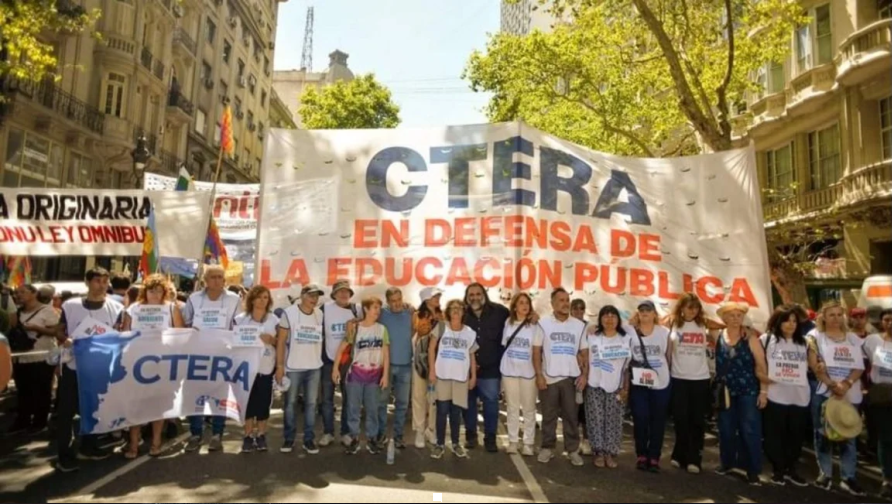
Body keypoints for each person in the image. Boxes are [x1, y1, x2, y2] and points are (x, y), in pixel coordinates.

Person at [54, 267, 124, 472]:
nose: (102, 285)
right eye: (97, 281)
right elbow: (59, 330)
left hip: (99, 368)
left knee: (94, 409)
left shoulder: (116, 308)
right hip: (73, 367)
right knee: (66, 412)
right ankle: (64, 455)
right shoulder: (71, 305)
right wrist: (65, 340)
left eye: (105, 281)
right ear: (87, 282)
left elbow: (119, 335)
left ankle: (89, 446)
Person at [120, 274, 185, 458]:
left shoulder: (171, 308)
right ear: (145, 292)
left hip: (162, 362)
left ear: (164, 292)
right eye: (151, 290)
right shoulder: (134, 309)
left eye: (159, 291)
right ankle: (133, 444)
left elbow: (180, 334)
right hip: (137, 363)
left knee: (158, 403)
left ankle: (156, 443)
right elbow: (125, 334)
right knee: (136, 405)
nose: (155, 294)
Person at [181, 265, 242, 453]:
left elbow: (239, 325)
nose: (217, 280)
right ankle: (195, 434)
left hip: (223, 355)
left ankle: (217, 435)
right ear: (205, 280)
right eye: (213, 277)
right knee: (195, 395)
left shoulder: (234, 299)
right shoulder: (194, 298)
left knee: (220, 396)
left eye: (220, 277)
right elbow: (185, 322)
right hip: (197, 354)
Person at [808, 300, 865, 496]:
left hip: (850, 393)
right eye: (831, 315)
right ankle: (825, 473)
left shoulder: (853, 338)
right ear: (823, 317)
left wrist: (846, 384)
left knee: (848, 436)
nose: (836, 318)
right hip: (825, 392)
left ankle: (849, 477)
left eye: (839, 314)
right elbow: (814, 365)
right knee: (822, 434)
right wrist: (832, 385)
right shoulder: (815, 336)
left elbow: (859, 366)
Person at [714, 302, 768, 486]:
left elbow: (761, 365)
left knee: (750, 430)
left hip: (748, 390)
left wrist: (763, 391)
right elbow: (702, 320)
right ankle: (727, 463)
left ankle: (753, 470)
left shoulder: (751, 338)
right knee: (726, 429)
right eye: (731, 315)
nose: (735, 319)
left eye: (739, 315)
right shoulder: (718, 335)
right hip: (725, 391)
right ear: (724, 318)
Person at [533, 287, 587, 466]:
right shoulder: (543, 324)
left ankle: (572, 450)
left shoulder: (579, 326)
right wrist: (539, 375)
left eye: (567, 300)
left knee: (571, 417)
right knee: (549, 416)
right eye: (561, 300)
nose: (565, 304)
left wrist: (585, 375)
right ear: (553, 303)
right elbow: (536, 351)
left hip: (572, 379)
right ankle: (547, 448)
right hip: (549, 378)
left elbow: (585, 352)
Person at [760, 305, 812, 487]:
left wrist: (820, 367)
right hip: (775, 396)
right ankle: (778, 470)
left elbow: (813, 365)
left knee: (796, 436)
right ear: (777, 322)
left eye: (794, 321)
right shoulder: (766, 340)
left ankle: (791, 469)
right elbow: (760, 366)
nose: (791, 324)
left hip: (800, 396)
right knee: (774, 435)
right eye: (786, 320)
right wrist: (763, 389)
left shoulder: (805, 342)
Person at [333, 296, 390, 454]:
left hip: (374, 376)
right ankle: (354, 438)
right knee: (353, 409)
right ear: (366, 309)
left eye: (379, 308)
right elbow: (341, 348)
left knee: (372, 409)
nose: (378, 311)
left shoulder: (382, 329)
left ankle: (372, 438)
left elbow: (386, 354)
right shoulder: (355, 328)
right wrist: (335, 368)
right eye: (375, 308)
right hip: (355, 375)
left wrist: (385, 375)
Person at [668, 293, 717, 474]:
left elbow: (725, 326)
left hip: (700, 379)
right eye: (689, 307)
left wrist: (746, 329)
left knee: (697, 420)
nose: (692, 311)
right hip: (678, 377)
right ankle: (679, 454)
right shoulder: (673, 323)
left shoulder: (704, 323)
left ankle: (694, 458)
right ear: (681, 307)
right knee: (680, 419)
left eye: (696, 307)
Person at [276, 283, 325, 455]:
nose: (314, 299)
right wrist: (279, 366)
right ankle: (289, 438)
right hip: (293, 367)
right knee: (290, 404)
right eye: (311, 295)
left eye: (317, 296)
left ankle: (309, 439)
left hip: (314, 367)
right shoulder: (288, 313)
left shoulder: (319, 314)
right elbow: (281, 341)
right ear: (302, 296)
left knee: (311, 405)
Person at [581, 305, 630, 469]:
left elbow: (626, 368)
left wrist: (625, 389)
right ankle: (599, 453)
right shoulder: (592, 337)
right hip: (594, 385)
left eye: (613, 316)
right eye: (606, 316)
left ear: (618, 319)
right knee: (595, 420)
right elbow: (584, 358)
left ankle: (609, 453)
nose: (609, 319)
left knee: (613, 421)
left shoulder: (625, 339)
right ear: (600, 319)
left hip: (616, 387)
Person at [428, 299, 477, 460]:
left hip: (460, 378)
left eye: (459, 308)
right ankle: (439, 444)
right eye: (453, 308)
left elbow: (471, 355)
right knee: (442, 411)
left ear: (463, 312)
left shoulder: (469, 332)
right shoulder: (441, 327)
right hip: (442, 375)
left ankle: (456, 443)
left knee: (456, 413)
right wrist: (432, 371)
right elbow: (431, 349)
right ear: (448, 312)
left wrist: (473, 376)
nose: (456, 311)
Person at [463, 283, 509, 452]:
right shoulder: (461, 313)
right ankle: (471, 436)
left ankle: (490, 438)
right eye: (471, 294)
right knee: (468, 404)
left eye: (478, 294)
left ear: (484, 294)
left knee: (491, 405)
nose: (475, 297)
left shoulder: (500, 312)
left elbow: (518, 319)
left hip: (491, 368)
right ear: (467, 297)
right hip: (466, 369)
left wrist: (532, 316)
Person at [233, 285, 279, 454]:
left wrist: (271, 340)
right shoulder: (240, 319)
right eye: (259, 297)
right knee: (247, 404)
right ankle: (247, 436)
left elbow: (281, 344)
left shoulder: (274, 320)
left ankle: (261, 435)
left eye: (265, 297)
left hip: (265, 368)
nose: (262, 300)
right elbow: (231, 341)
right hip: (245, 369)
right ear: (251, 299)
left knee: (263, 404)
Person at [7, 284, 59, 435]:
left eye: (22, 292)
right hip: (21, 357)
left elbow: (56, 331)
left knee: (41, 390)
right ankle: (22, 420)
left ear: (34, 293)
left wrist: (36, 328)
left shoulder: (47, 310)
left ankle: (39, 422)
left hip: (42, 356)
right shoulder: (17, 311)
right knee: (23, 390)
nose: (18, 295)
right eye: (17, 293)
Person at [628, 300, 672, 473]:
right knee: (640, 418)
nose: (645, 312)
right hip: (639, 382)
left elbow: (668, 357)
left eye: (648, 310)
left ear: (654, 313)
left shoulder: (664, 332)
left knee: (658, 420)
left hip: (661, 382)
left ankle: (654, 457)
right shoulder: (630, 331)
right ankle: (641, 455)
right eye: (641, 310)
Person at [320, 280, 361, 448]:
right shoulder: (324, 309)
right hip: (328, 360)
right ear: (334, 294)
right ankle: (328, 432)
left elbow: (377, 311)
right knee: (327, 400)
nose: (344, 294)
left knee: (348, 399)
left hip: (348, 362)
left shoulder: (357, 309)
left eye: (346, 291)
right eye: (340, 291)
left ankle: (345, 432)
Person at [501, 292, 542, 456]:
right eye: (521, 303)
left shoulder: (535, 325)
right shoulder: (508, 323)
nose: (524, 306)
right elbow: (504, 344)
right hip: (509, 371)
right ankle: (513, 441)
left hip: (528, 372)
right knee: (512, 407)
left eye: (527, 303)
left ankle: (528, 443)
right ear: (514, 307)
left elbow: (537, 350)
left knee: (529, 408)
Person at [376, 287, 415, 449]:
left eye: (399, 299)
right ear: (387, 302)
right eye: (393, 301)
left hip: (405, 365)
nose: (397, 303)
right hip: (386, 366)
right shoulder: (381, 314)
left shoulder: (410, 313)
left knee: (402, 404)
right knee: (381, 402)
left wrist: (411, 307)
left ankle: (399, 435)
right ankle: (381, 434)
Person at [862, 308, 892, 500]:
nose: (890, 323)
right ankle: (887, 480)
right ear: (881, 322)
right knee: (885, 438)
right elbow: (861, 364)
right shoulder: (872, 341)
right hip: (880, 394)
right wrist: (864, 387)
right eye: (887, 319)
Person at [411, 287, 444, 449]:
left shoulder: (443, 315)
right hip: (420, 360)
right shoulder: (416, 315)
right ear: (425, 299)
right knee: (419, 396)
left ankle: (431, 429)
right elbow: (413, 336)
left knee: (434, 397)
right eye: (434, 296)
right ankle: (419, 430)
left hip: (439, 360)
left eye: (438, 295)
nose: (437, 298)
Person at [570, 298, 592, 457]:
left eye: (581, 308)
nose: (578, 311)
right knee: (572, 410)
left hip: (587, 374)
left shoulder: (590, 328)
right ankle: (574, 442)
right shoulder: (567, 325)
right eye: (575, 308)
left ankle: (587, 441)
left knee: (586, 409)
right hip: (570, 373)